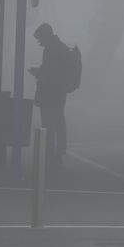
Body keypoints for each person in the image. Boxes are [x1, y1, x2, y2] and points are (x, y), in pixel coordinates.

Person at [30, 23, 72, 164]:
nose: (39, 42)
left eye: (40, 38)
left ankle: (51, 152)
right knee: (58, 120)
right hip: (59, 91)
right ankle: (58, 151)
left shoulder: (52, 49)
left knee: (49, 122)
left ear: (46, 36)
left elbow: (50, 72)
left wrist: (38, 72)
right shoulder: (60, 47)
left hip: (51, 91)